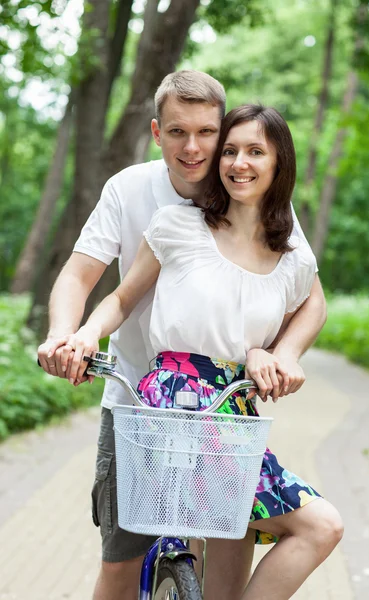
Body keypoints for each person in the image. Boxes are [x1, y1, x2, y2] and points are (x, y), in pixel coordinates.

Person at [38, 71, 327, 600]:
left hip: (224, 402)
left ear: (223, 132)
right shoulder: (133, 192)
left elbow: (309, 293)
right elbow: (88, 280)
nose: (193, 147)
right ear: (156, 132)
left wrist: (279, 352)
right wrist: (69, 337)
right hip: (134, 393)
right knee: (123, 558)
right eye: (176, 132)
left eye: (206, 133)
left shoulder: (257, 199)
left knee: (228, 544)